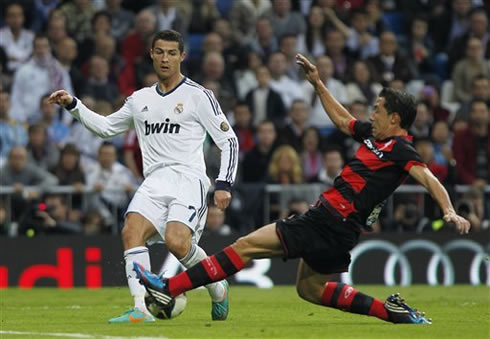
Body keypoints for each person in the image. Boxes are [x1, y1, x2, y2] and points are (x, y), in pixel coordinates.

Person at [134, 53, 471, 325]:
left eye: (378, 110)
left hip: (330, 221)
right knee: (309, 290)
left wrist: (449, 210)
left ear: (395, 119)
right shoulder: (373, 135)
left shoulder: (400, 149)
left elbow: (428, 179)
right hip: (341, 229)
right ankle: (389, 312)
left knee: (246, 246)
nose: (372, 113)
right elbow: (342, 121)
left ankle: (170, 286)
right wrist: (318, 84)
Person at [48, 30, 238, 323]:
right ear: (151, 54)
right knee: (130, 231)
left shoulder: (199, 96)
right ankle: (140, 308)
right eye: (159, 52)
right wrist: (75, 106)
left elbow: (229, 140)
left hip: (189, 179)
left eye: (172, 53)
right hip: (154, 179)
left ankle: (216, 286)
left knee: (177, 241)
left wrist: (224, 183)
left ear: (182, 56)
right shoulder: (140, 99)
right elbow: (106, 128)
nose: (165, 58)